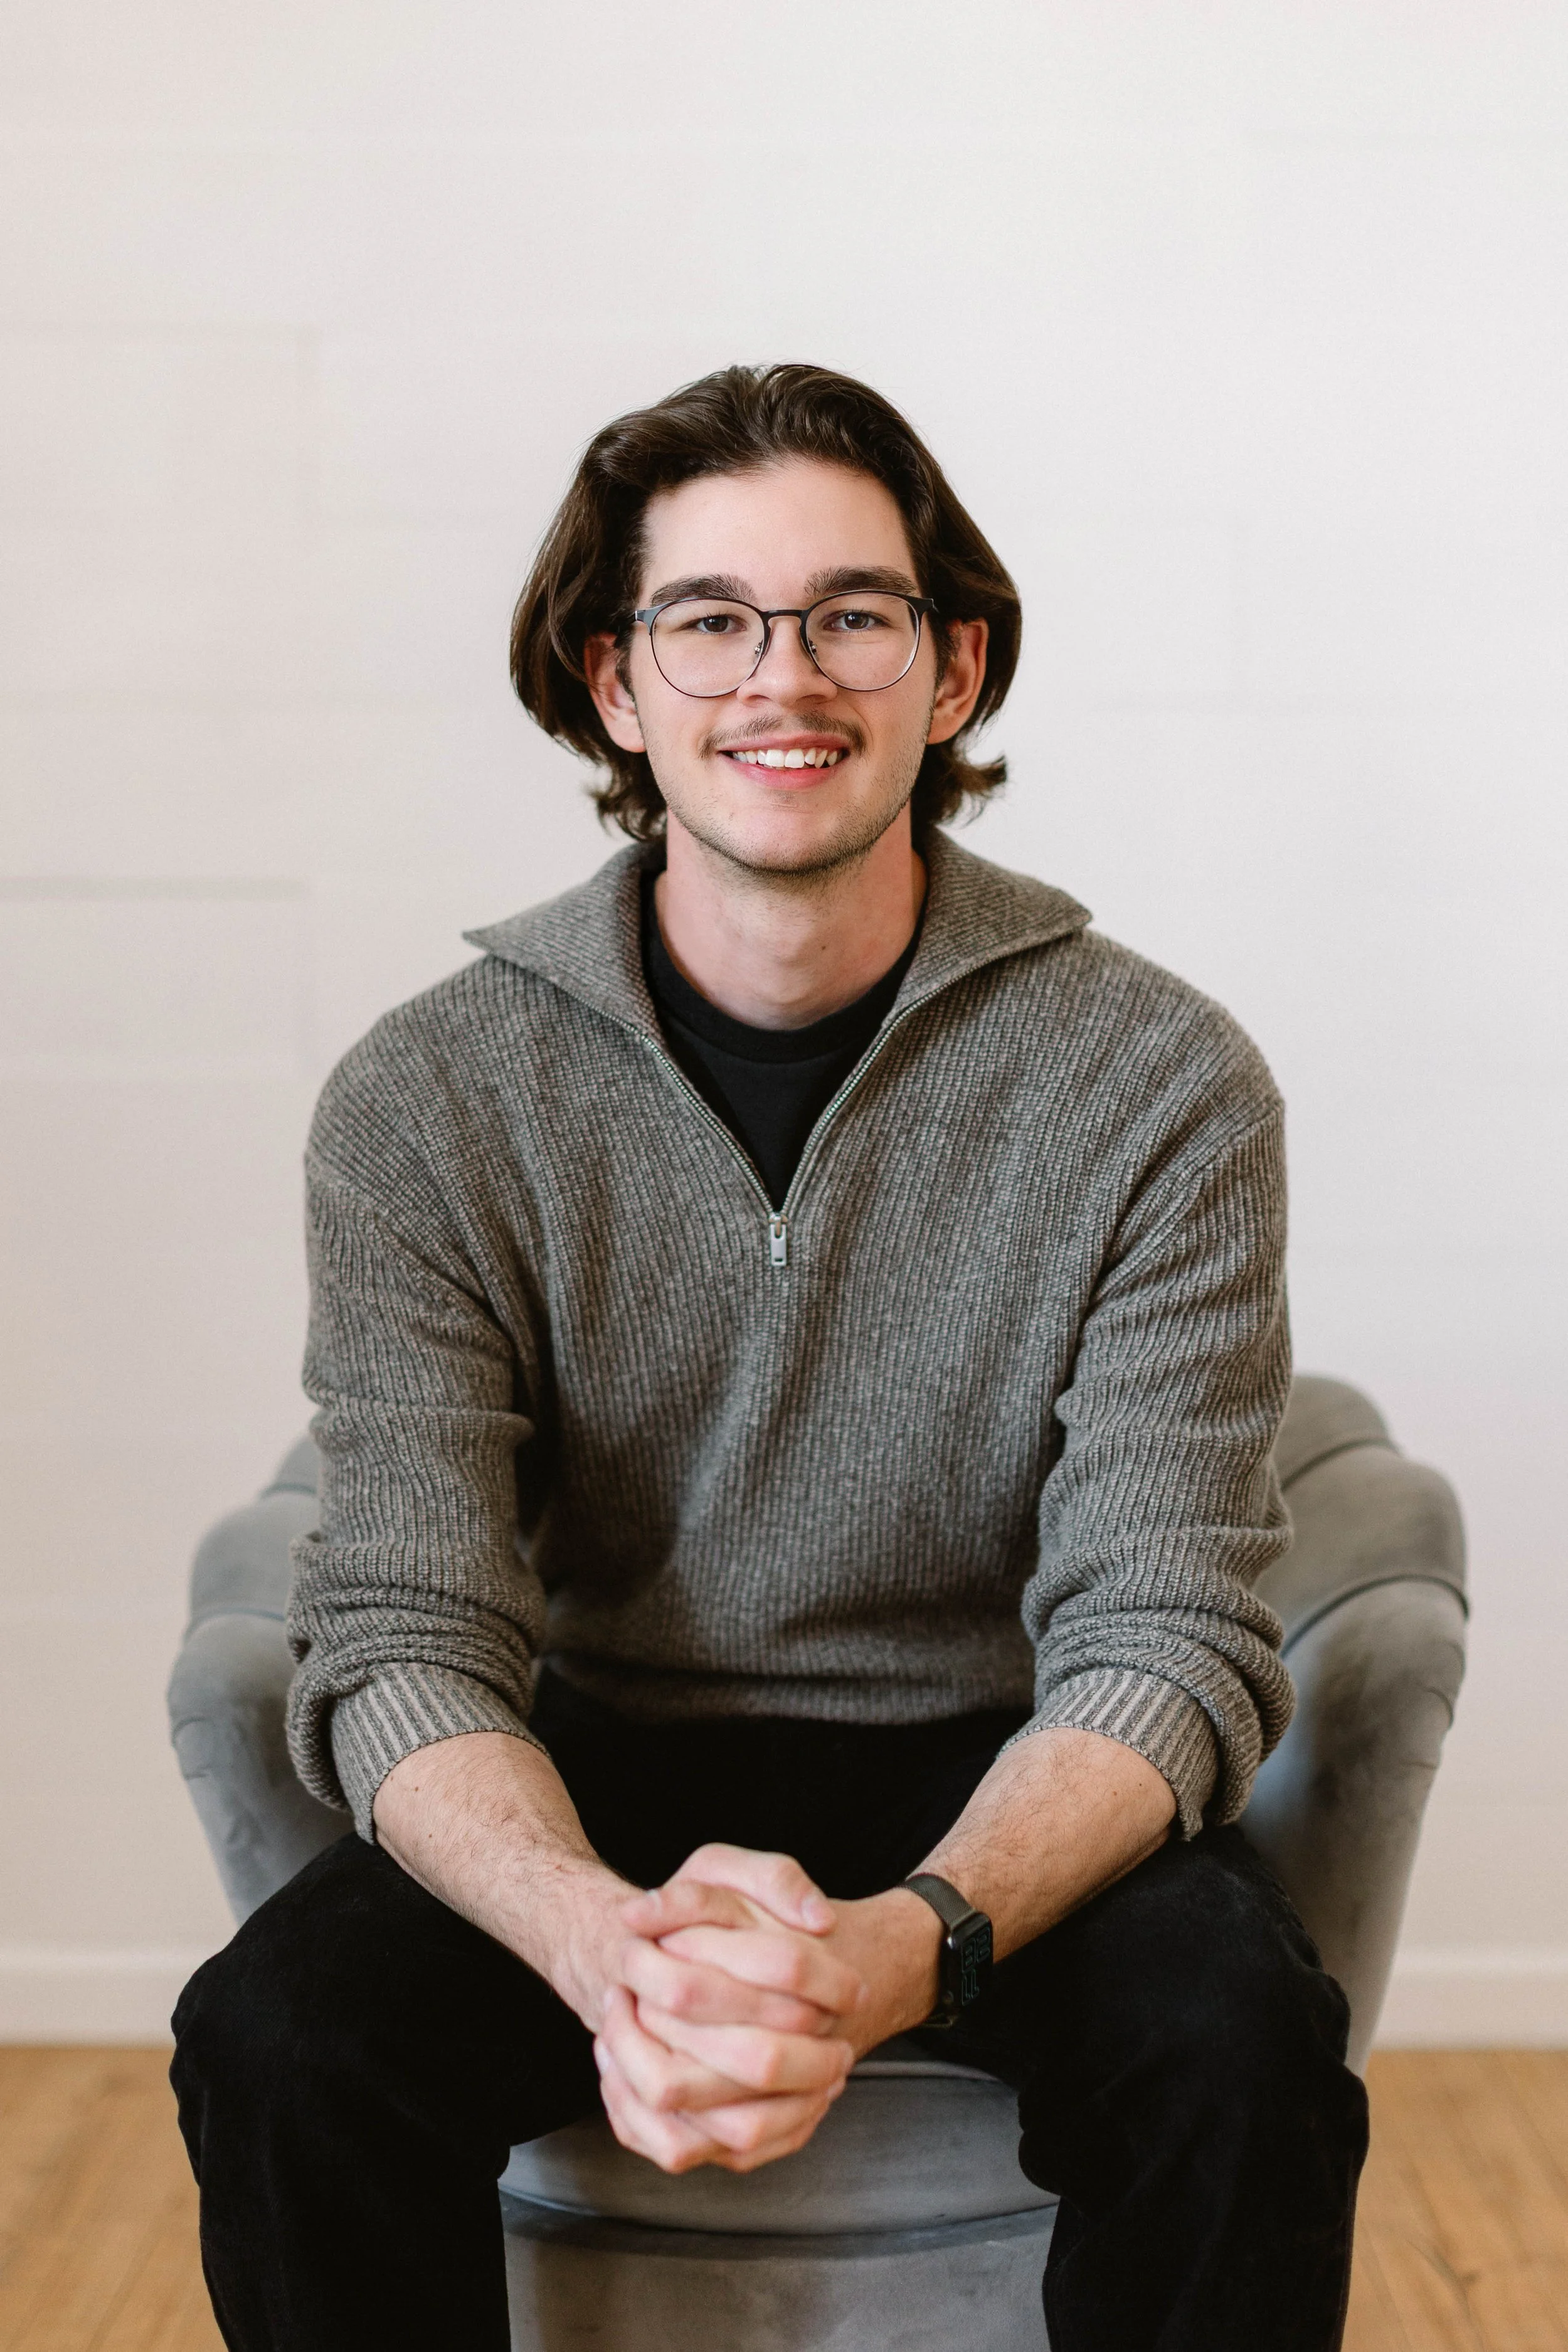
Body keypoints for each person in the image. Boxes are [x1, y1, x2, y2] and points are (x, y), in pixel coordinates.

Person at [171, 363, 1368, 2351]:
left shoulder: (1159, 1080)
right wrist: (598, 1940)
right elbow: (402, 1623)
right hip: (591, 1758)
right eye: (708, 618)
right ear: (612, 682)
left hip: (1009, 1760)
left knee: (1235, 2043)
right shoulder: (427, 1096)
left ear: (951, 664)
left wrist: (909, 1945)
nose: (780, 676)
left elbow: (1162, 1631)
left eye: (851, 612)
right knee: (283, 2039)